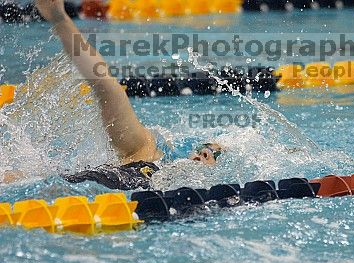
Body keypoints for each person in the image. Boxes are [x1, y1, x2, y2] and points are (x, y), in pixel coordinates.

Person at [1, 0, 223, 189]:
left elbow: (222, 145)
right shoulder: (142, 146)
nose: (200, 159)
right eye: (202, 154)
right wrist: (60, 19)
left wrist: (211, 154)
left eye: (205, 157)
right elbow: (103, 82)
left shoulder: (173, 170)